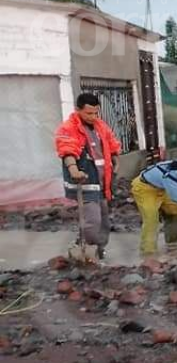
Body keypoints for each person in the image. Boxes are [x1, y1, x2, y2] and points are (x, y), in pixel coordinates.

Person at [55, 93, 122, 259]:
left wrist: (115, 159)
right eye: (89, 113)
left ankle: (98, 253)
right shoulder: (69, 128)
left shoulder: (100, 126)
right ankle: (82, 247)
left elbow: (111, 143)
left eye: (96, 113)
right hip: (85, 183)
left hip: (103, 183)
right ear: (78, 110)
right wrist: (73, 170)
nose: (93, 117)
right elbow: (67, 150)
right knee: (92, 223)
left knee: (104, 222)